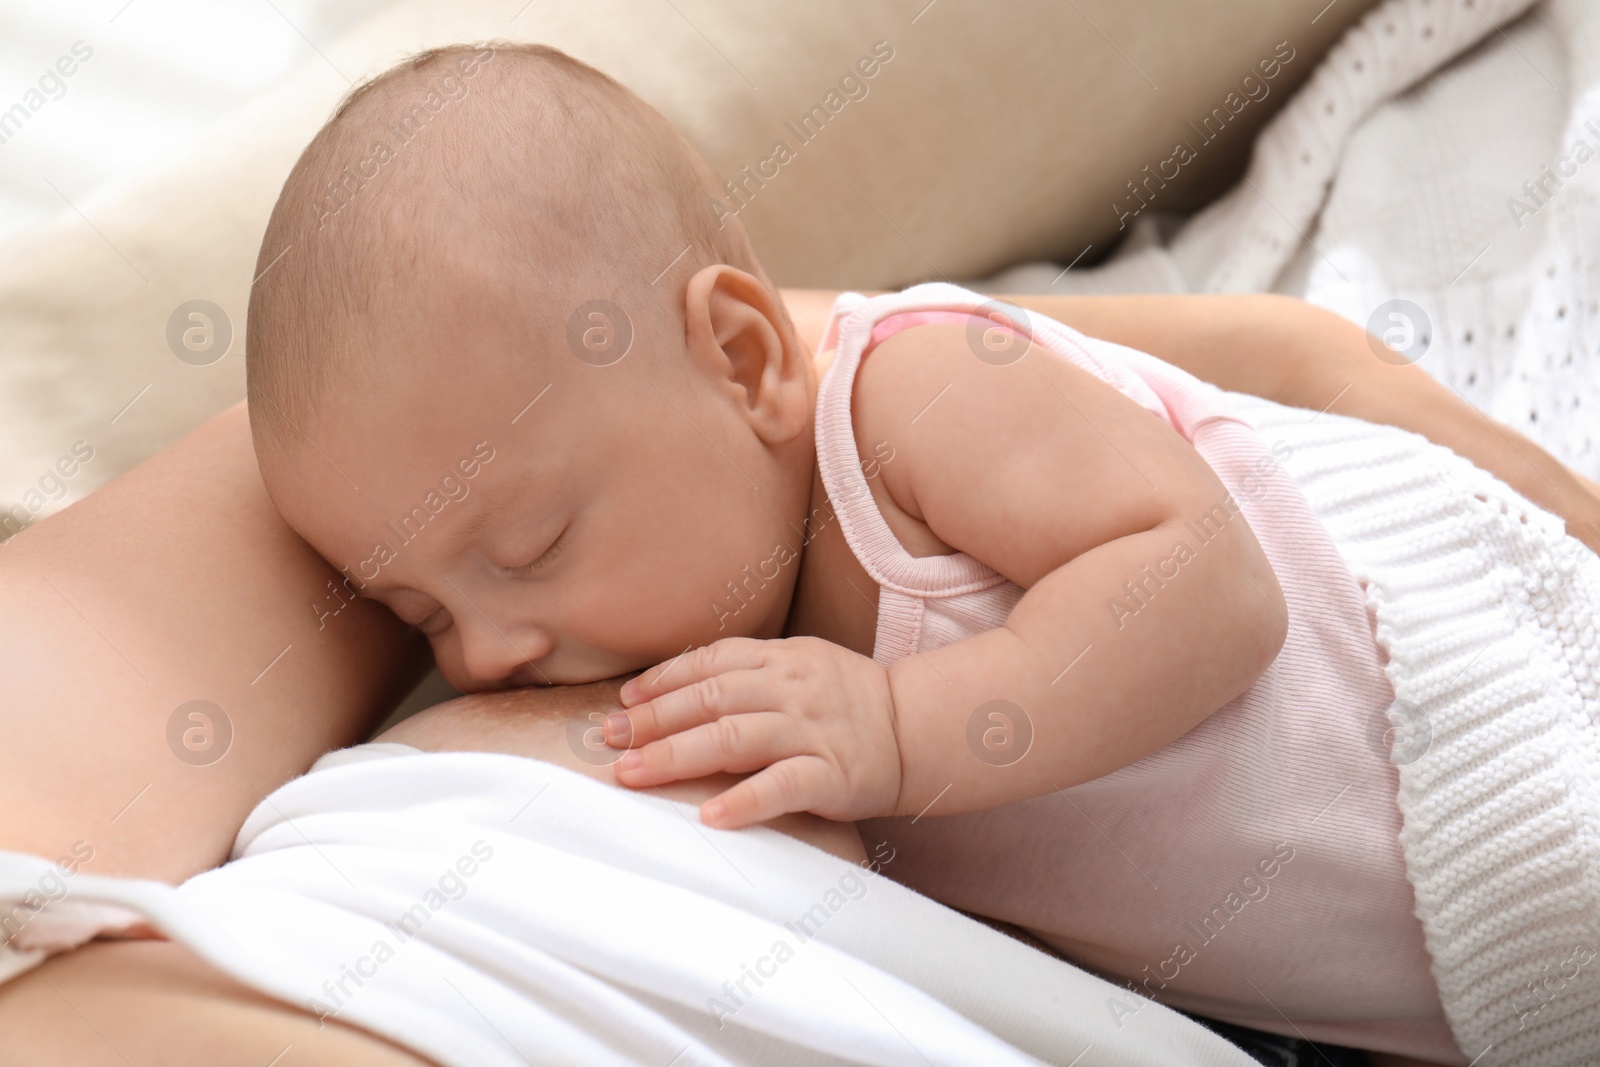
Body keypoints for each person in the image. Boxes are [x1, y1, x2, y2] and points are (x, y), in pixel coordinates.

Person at [3, 41, 1594, 1067]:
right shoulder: (718, 594)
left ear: (749, 357)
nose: (483, 654)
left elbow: (1209, 585)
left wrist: (901, 733)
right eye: (421, 609)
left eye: (534, 541)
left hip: (1481, 738)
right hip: (1389, 969)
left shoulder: (906, 399)